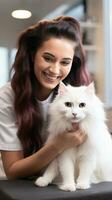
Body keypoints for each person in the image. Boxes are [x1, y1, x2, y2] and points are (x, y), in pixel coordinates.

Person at [0, 15, 91, 180]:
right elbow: (12, 171)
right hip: (18, 185)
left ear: (73, 64)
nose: (55, 70)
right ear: (33, 55)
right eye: (48, 58)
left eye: (65, 62)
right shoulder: (7, 96)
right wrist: (57, 145)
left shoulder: (75, 93)